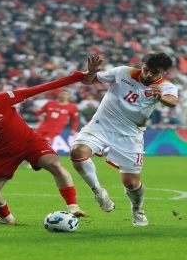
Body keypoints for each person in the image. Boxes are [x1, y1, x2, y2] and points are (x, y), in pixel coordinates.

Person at [0, 56, 103, 226]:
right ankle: (6, 219)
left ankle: (72, 205)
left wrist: (80, 76)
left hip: (28, 143)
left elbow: (39, 88)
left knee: (55, 165)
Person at [69, 52, 178, 227]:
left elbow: (172, 101)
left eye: (155, 72)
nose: (148, 74)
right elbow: (88, 80)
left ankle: (138, 209)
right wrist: (91, 71)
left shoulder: (166, 87)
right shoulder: (123, 72)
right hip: (101, 126)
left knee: (131, 183)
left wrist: (160, 98)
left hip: (130, 134)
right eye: (146, 69)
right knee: (77, 152)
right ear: (142, 65)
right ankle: (98, 192)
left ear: (164, 72)